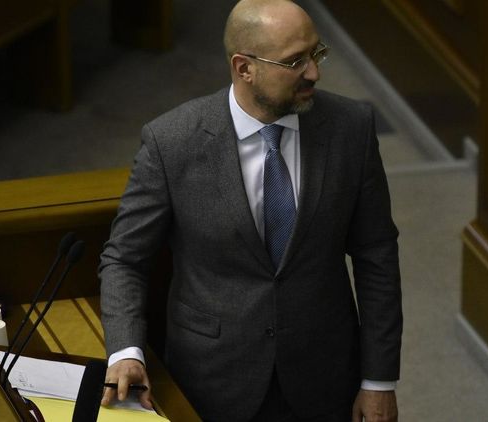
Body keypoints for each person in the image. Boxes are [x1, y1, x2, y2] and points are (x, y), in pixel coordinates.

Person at [98, 0, 402, 420]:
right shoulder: (172, 142)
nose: (314, 72)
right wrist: (125, 352)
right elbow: (124, 259)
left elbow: (376, 254)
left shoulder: (352, 129)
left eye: (316, 53)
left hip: (324, 376)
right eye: (295, 61)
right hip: (212, 381)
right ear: (244, 68)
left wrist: (378, 381)